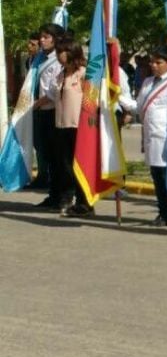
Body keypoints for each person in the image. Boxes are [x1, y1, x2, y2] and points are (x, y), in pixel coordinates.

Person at [118, 47, 167, 226]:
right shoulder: (147, 82)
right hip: (151, 136)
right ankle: (164, 211)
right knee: (157, 176)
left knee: (166, 177)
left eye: (158, 62)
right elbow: (137, 107)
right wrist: (118, 96)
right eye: (152, 62)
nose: (153, 65)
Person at [33, 38, 92, 216]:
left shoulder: (83, 74)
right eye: (57, 52)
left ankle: (84, 203)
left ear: (72, 52)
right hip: (60, 126)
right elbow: (51, 95)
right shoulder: (60, 75)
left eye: (62, 52)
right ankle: (66, 199)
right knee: (64, 165)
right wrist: (33, 105)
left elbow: (91, 100)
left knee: (79, 166)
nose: (59, 56)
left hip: (78, 127)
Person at [32, 23, 65, 201]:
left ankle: (60, 195)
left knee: (56, 156)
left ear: (56, 39)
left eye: (46, 37)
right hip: (41, 112)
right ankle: (53, 194)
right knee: (46, 154)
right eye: (41, 37)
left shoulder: (58, 60)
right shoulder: (40, 59)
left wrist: (36, 104)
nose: (41, 40)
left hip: (52, 111)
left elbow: (53, 91)